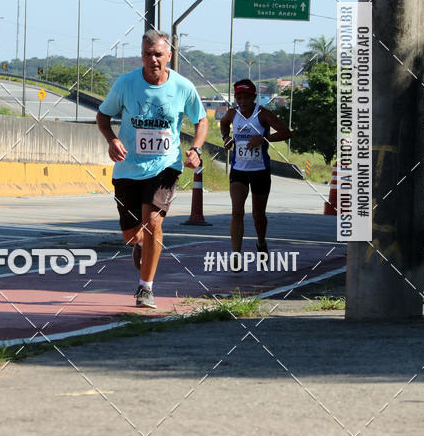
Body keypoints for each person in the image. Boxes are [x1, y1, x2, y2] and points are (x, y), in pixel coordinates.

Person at [96, 30, 208, 308]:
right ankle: (139, 244)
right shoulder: (126, 83)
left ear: (169, 56)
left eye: (159, 54)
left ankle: (145, 288)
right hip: (128, 168)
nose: (153, 59)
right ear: (141, 56)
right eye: (148, 54)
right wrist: (112, 140)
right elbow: (103, 115)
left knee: (154, 222)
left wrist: (195, 148)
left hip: (165, 165)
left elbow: (201, 120)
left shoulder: (183, 87)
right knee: (132, 234)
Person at [220, 78, 291, 266]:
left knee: (258, 215)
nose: (242, 102)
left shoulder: (263, 114)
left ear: (254, 97)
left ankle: (261, 242)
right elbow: (223, 123)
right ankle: (236, 254)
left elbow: (286, 132)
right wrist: (226, 137)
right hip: (238, 170)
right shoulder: (232, 113)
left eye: (246, 98)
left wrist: (264, 139)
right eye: (238, 98)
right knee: (237, 212)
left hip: (260, 170)